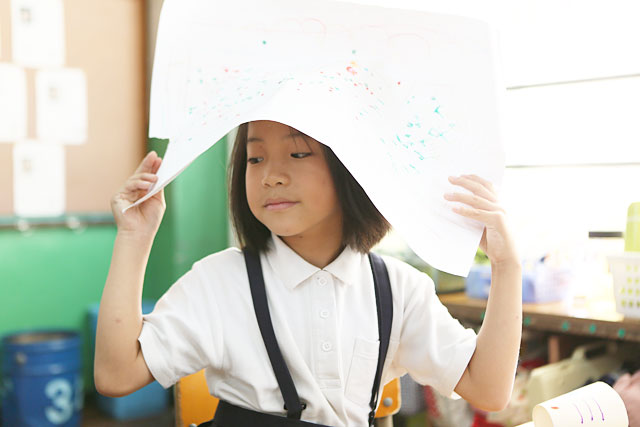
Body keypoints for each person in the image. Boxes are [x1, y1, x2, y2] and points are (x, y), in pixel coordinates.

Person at [94, 120, 522, 426]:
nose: (271, 176)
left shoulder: (398, 288)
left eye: (298, 153)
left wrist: (507, 266)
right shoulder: (219, 281)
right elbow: (116, 375)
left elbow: (488, 390)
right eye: (255, 157)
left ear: (351, 168)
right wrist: (134, 237)